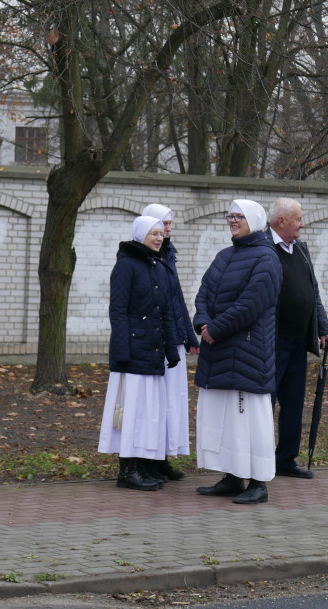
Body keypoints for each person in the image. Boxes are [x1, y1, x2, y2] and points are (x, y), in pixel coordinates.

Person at [192, 199, 281, 505]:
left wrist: (214, 330)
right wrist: (202, 322)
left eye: (239, 216)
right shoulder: (224, 255)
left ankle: (258, 482)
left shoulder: (267, 260)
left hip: (248, 354)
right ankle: (232, 476)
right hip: (219, 353)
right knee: (225, 420)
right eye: (230, 216)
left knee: (250, 423)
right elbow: (203, 293)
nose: (232, 220)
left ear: (255, 220)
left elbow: (250, 306)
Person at [98, 215, 180, 491]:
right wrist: (122, 351)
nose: (159, 238)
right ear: (140, 235)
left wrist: (172, 350)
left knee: (148, 412)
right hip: (133, 353)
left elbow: (165, 312)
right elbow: (118, 311)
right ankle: (127, 471)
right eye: (153, 233)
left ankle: (143, 466)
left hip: (153, 352)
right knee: (131, 412)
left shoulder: (157, 266)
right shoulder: (125, 266)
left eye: (161, 233)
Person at [268, 197, 328, 480]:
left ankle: (286, 459)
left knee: (294, 401)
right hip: (271, 341)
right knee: (265, 402)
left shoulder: (302, 250)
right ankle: (259, 460)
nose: (302, 225)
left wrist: (323, 327)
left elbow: (313, 292)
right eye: (298, 219)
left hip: (298, 340)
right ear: (281, 221)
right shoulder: (264, 249)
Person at [141, 203, 198, 482]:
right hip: (156, 340)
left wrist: (188, 335)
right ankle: (148, 460)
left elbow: (176, 299)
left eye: (169, 225)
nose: (167, 230)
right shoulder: (145, 258)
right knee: (154, 403)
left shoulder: (168, 256)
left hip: (172, 337)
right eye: (164, 224)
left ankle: (162, 458)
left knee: (171, 402)